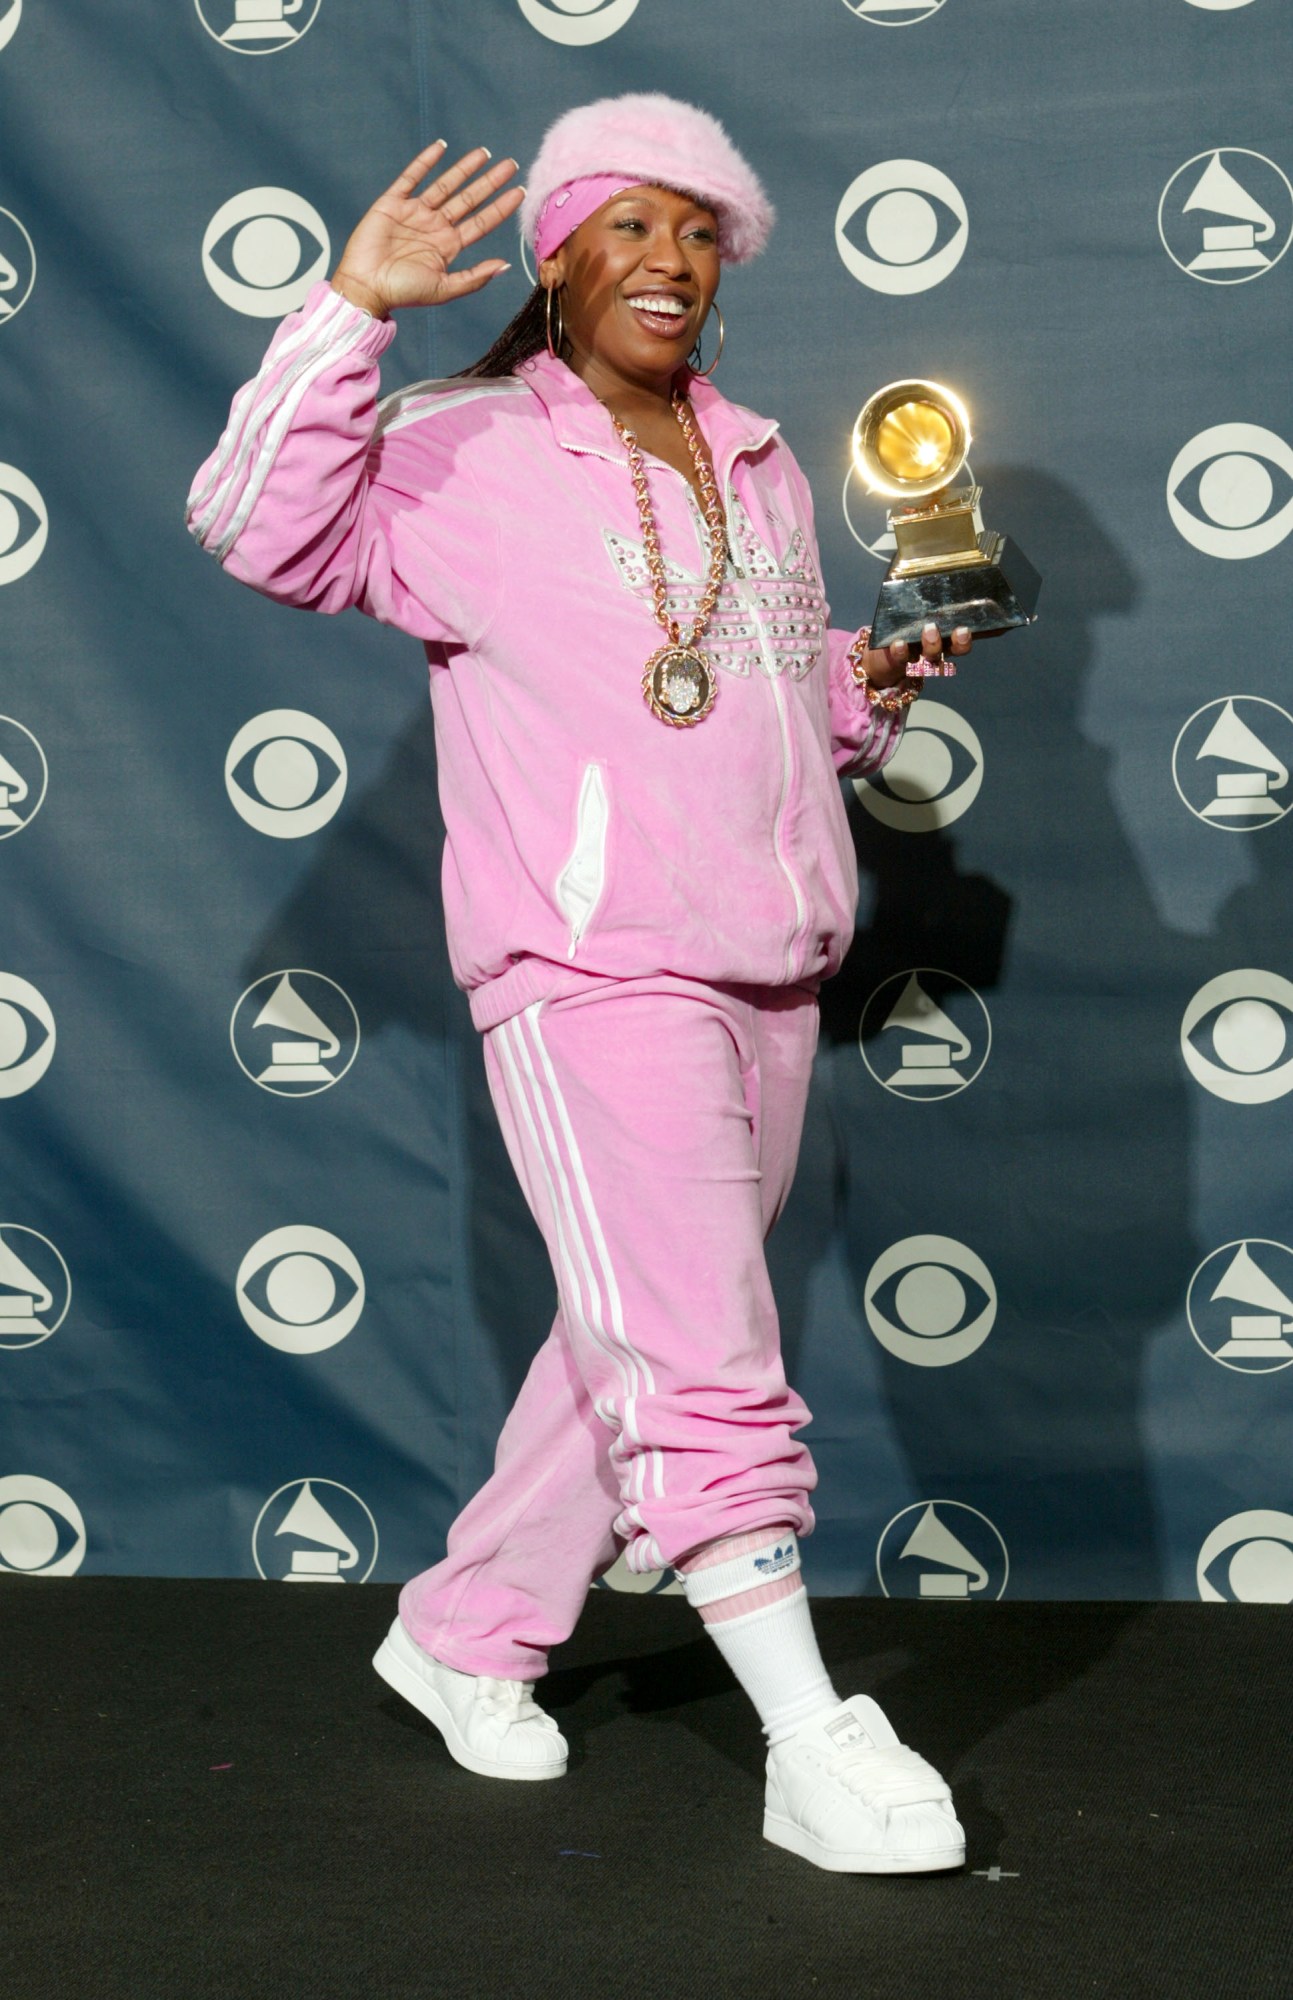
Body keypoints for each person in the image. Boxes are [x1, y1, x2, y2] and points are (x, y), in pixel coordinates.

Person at [187, 91, 973, 1876]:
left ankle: (462, 1632)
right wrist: (346, 309)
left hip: (769, 964)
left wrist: (864, 688)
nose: (673, 261)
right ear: (556, 253)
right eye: (632, 224)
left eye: (702, 231)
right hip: (588, 959)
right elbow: (250, 527)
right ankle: (808, 1740)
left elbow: (738, 690)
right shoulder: (456, 448)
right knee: (701, 1352)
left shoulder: (756, 454)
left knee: (630, 1333)